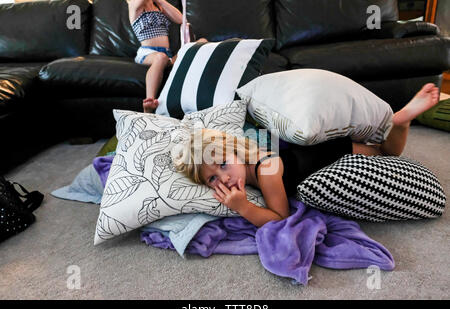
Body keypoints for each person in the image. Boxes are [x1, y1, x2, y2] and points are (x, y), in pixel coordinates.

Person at [173, 83, 440, 227]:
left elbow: (281, 217)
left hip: (332, 151)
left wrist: (243, 207)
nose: (224, 178)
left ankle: (400, 120)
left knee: (387, 153)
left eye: (222, 164)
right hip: (306, 150)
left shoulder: (266, 171)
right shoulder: (248, 151)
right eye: (212, 179)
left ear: (235, 152)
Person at [128, 0, 206, 112]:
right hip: (147, 53)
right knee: (160, 57)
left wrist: (161, 1)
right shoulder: (134, 5)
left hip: (167, 55)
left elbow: (181, 20)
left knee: (202, 42)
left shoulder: (159, 6)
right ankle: (149, 102)